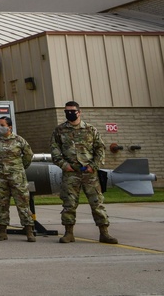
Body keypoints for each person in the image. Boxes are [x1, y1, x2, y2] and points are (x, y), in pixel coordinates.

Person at [50, 101, 117, 244]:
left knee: (97, 203)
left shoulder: (90, 129)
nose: (69, 113)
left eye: (72, 111)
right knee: (69, 204)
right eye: (67, 111)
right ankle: (69, 233)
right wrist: (64, 165)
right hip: (70, 172)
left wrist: (94, 166)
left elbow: (100, 149)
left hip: (89, 173)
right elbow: (55, 150)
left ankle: (104, 232)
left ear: (79, 112)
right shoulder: (59, 130)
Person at [0, 115, 35, 241]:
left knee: (23, 203)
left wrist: (19, 167)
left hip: (17, 177)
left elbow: (28, 155)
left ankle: (29, 230)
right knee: (2, 203)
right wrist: (0, 166)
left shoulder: (19, 140)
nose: (0, 127)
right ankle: (2, 231)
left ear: (10, 127)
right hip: (0, 177)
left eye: (3, 125)